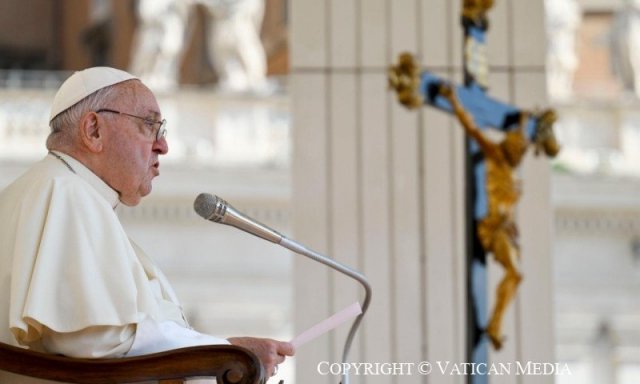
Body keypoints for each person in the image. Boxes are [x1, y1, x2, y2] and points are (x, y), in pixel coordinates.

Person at [0, 67, 294, 383]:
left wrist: (220, 351)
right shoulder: (64, 192)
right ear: (94, 130)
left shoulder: (53, 190)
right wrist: (226, 353)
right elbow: (94, 340)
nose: (162, 146)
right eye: (150, 126)